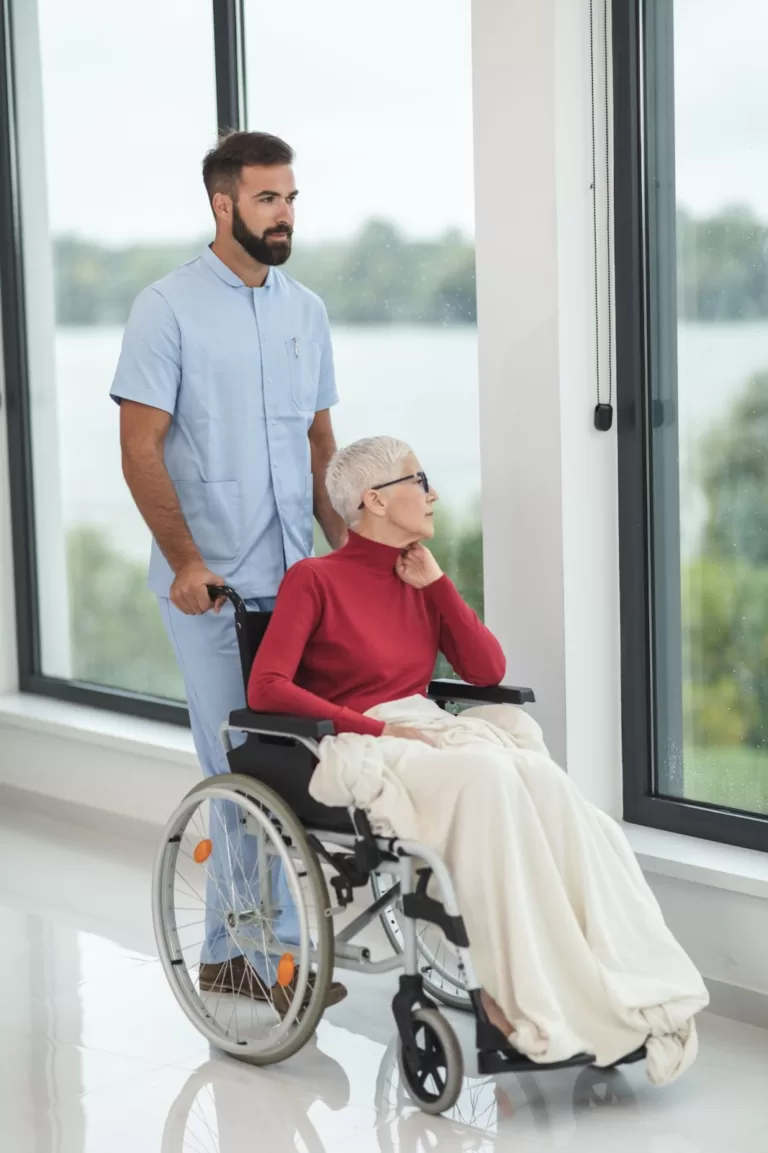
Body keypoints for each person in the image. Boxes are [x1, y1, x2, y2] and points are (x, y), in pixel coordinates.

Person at [248, 436, 709, 1079]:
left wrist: (437, 587)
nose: (432, 492)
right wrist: (375, 731)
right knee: (490, 774)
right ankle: (507, 997)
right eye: (420, 478)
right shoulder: (314, 579)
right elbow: (265, 686)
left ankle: (601, 984)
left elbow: (488, 668)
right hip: (365, 736)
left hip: (427, 728)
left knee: (544, 783)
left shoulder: (417, 575)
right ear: (372, 500)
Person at [111, 130, 348, 1009]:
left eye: (290, 198)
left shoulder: (306, 311)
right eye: (267, 200)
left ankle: (271, 951)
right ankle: (249, 958)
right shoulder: (165, 309)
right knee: (240, 771)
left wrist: (350, 554)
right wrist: (183, 561)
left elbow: (320, 444)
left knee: (292, 772)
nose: (285, 214)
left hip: (298, 586)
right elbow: (140, 450)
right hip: (212, 589)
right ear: (223, 204)